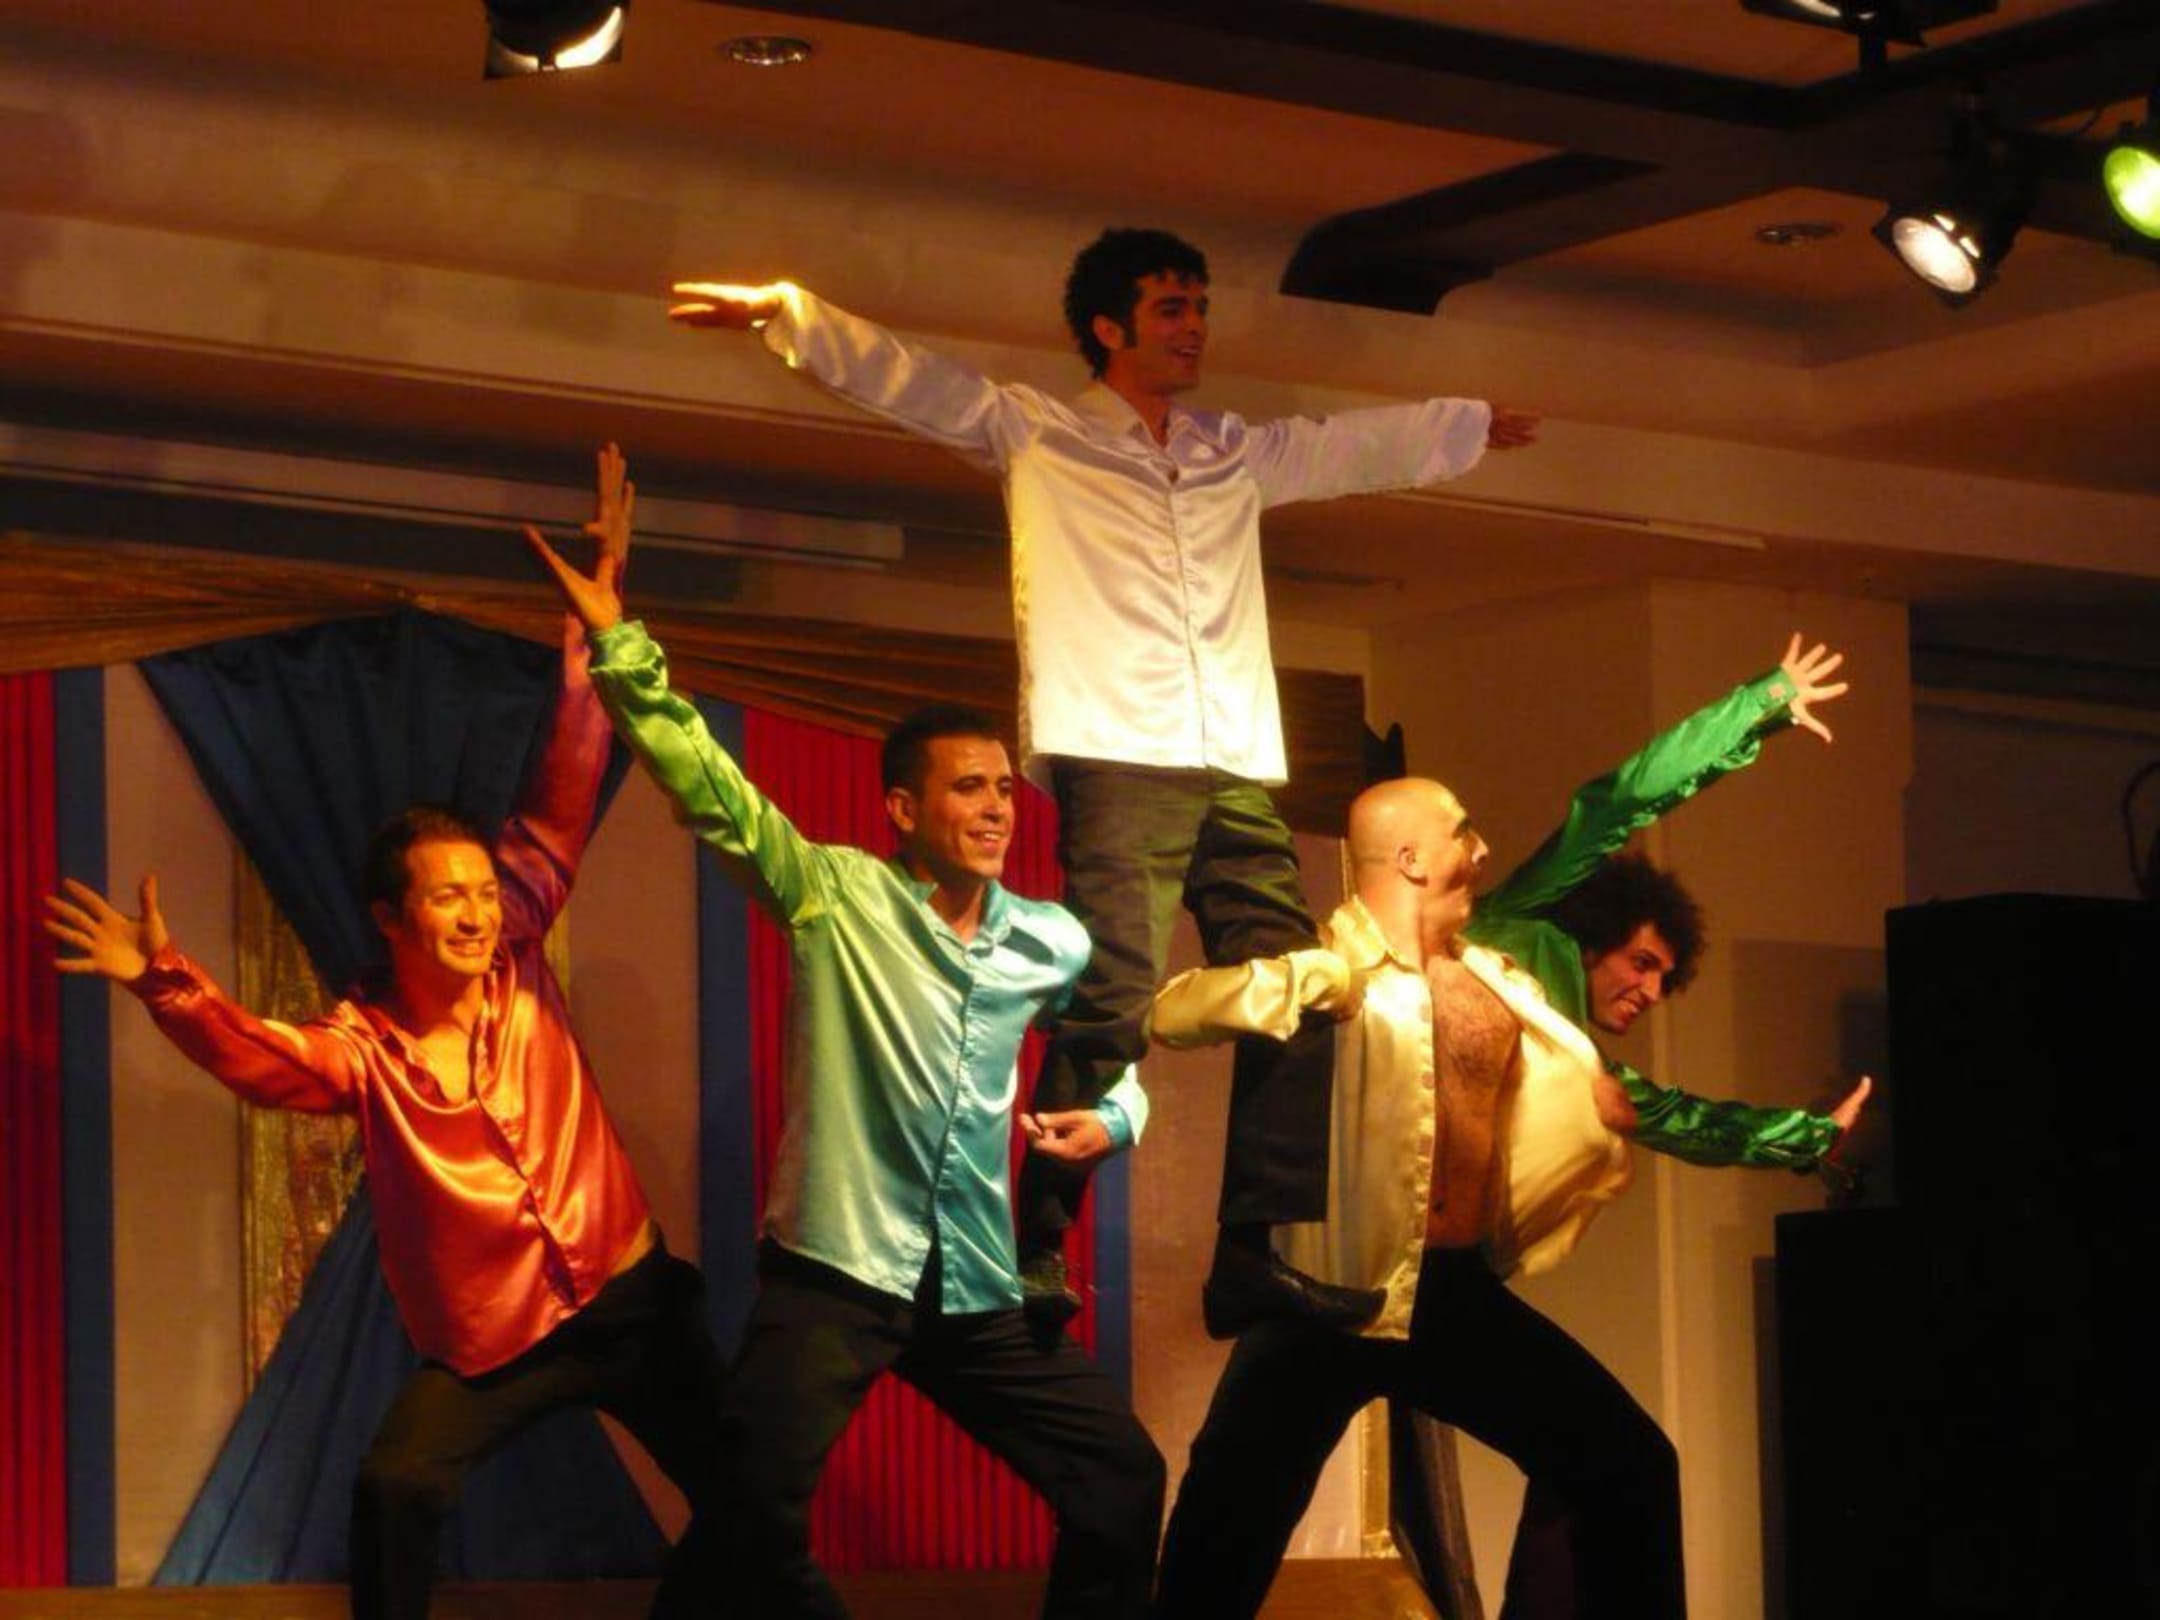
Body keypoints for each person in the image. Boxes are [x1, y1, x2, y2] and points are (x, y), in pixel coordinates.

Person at [668, 227, 1541, 1336]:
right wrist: (788, 313)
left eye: (1200, 307)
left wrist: (1463, 425)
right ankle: (1038, 1240)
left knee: (1312, 988)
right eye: (1172, 308)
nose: (1194, 328)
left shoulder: (1230, 451)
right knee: (1115, 998)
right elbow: (915, 383)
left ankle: (1250, 1253)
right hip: (1120, 749)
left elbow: (1342, 447)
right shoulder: (1041, 430)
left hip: (1232, 756)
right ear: (1109, 327)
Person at [42, 454, 727, 1620]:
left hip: (632, 1297)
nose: (475, 912)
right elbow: (266, 1062)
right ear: (391, 919)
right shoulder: (363, 1046)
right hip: (499, 1338)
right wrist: (163, 981)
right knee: (398, 1487)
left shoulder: (518, 954)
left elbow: (562, 793)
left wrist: (598, 635)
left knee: (754, 1495)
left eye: (482, 891)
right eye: (447, 896)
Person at [523, 459, 1166, 1620]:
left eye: (1004, 790)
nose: (994, 808)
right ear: (903, 811)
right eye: (966, 789)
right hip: (837, 1269)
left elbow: (1119, 1047)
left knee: (1120, 1476)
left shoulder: (1050, 940)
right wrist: (621, 642)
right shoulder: (836, 894)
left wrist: (1115, 1117)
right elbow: (710, 786)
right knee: (751, 1513)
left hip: (972, 1283)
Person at [1147, 640, 1872, 1619]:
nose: (1482, 850)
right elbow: (1611, 806)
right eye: (1463, 833)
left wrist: (1799, 1139)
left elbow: (1658, 1108)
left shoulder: (1501, 975)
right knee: (1221, 1533)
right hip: (1327, 1295)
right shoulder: (1354, 961)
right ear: (1413, 857)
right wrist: (1757, 706)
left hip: (1448, 1291)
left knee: (1630, 1463)